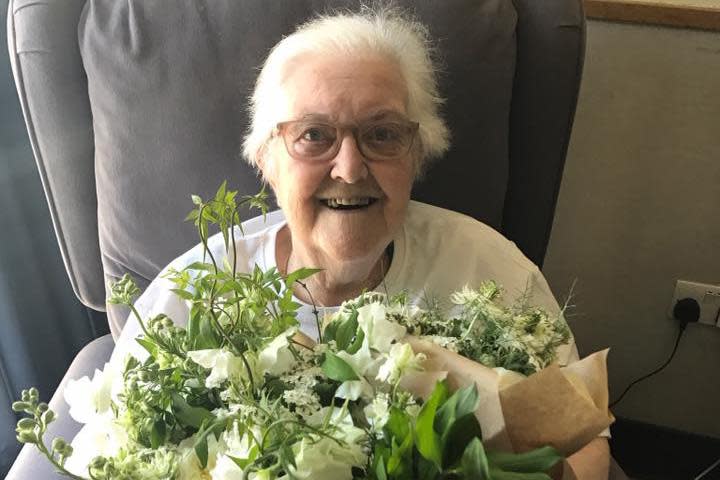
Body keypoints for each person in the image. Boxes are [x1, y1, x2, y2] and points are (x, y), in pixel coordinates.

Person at [113, 8, 609, 479]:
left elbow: (586, 444)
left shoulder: (487, 268)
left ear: (418, 153)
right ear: (265, 159)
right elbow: (115, 448)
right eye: (313, 135)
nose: (349, 169)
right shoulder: (191, 295)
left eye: (383, 133)